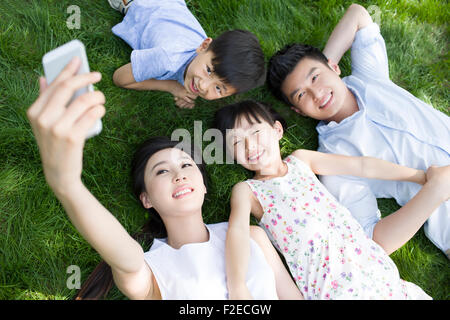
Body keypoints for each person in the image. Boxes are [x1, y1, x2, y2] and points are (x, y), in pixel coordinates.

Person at [26, 58, 303, 300]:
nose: (179, 174)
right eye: (161, 170)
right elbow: (127, 258)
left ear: (204, 185)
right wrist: (67, 183)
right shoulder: (151, 268)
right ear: (145, 198)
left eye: (185, 164)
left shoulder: (252, 236)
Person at [213, 100, 450, 299]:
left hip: (378, 272)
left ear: (277, 130)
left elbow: (361, 166)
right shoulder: (248, 190)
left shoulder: (301, 160)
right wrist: (238, 287)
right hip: (332, 288)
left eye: (255, 132)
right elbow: (237, 234)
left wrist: (420, 177)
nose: (249, 145)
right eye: (236, 142)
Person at [266, 3, 450, 258]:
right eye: (301, 95)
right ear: (299, 111)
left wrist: (326, 64)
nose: (317, 93)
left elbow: (357, 14)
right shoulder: (334, 159)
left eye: (315, 77)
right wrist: (435, 190)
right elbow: (375, 240)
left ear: (334, 66)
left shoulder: (369, 77)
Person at [108, 0, 266, 109]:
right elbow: (120, 78)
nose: (203, 86)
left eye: (218, 89)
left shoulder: (204, 55)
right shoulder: (167, 60)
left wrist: (187, 90)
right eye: (209, 70)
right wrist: (172, 87)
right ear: (204, 45)